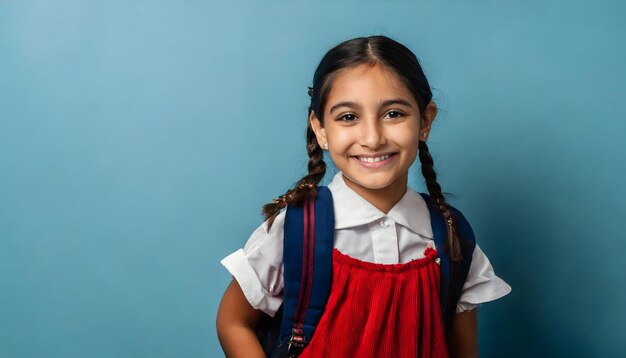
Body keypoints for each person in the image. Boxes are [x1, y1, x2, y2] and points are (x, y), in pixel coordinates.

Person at [216, 35, 511, 358]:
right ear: (321, 129)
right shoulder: (296, 230)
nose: (372, 138)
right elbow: (233, 322)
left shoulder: (451, 236)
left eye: (394, 114)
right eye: (348, 117)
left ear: (425, 121)